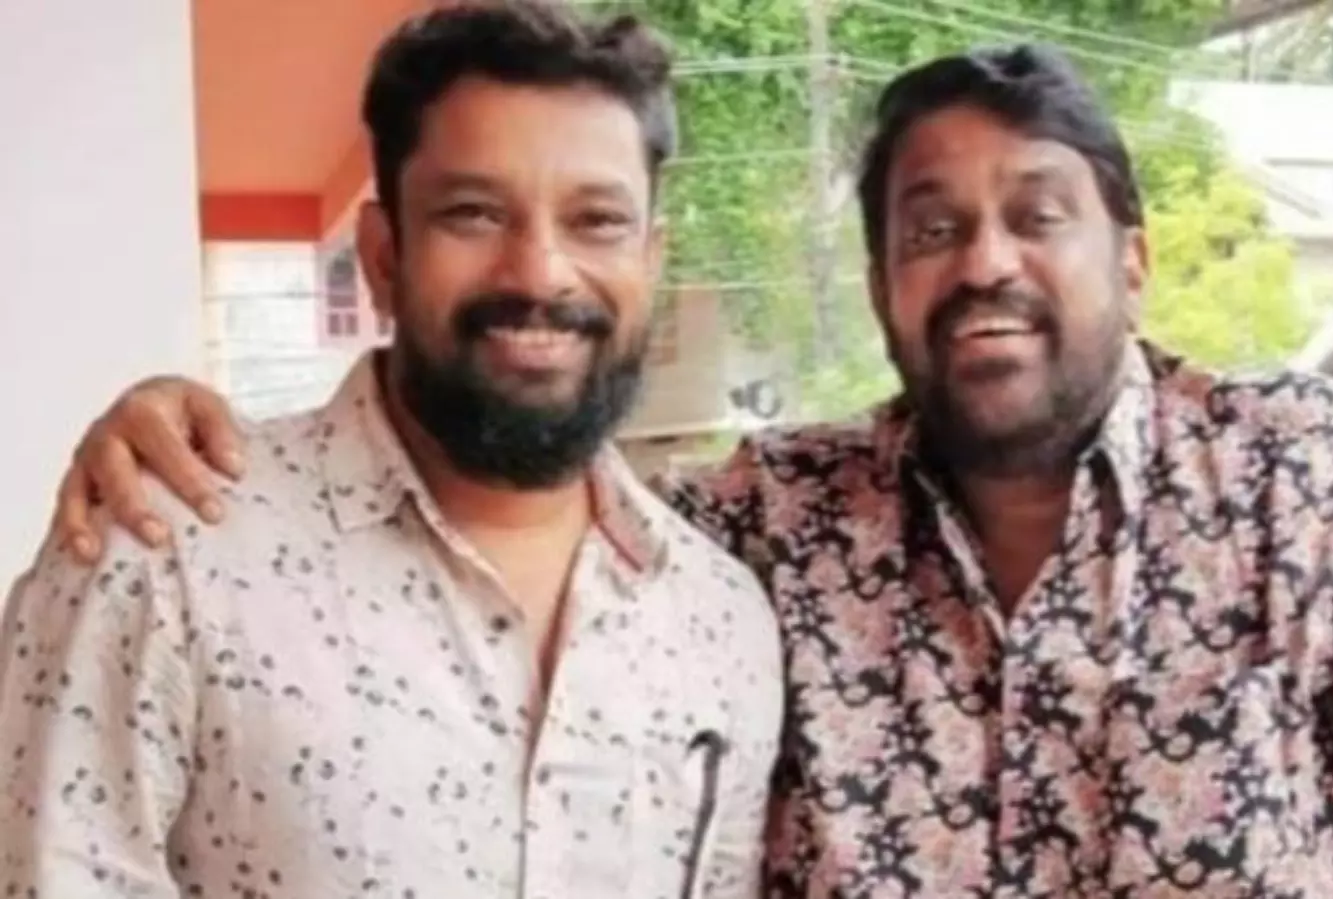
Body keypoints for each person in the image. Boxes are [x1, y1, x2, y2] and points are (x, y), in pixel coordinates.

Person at [33, 35, 1333, 898]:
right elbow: (516, 478)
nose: (984, 260)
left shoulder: (1320, 486)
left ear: (1132, 254)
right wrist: (172, 424)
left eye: (1037, 214)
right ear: (880, 284)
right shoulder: (771, 533)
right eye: (930, 227)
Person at [0, 4, 783, 897]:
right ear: (382, 254)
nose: (539, 271)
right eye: (473, 213)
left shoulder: (720, 623)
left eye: (596, 221)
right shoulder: (166, 554)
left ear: (652, 260)